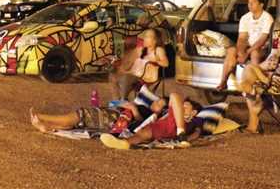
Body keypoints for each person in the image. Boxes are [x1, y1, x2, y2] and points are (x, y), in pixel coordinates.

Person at [239, 31, 280, 134]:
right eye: (279, 42)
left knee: (249, 84)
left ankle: (252, 125)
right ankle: (252, 90)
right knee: (249, 68)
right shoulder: (276, 57)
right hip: (269, 84)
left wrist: (275, 75)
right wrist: (262, 73)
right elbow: (259, 67)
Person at [29, 86, 164, 135]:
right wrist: (126, 105)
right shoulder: (144, 106)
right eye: (157, 100)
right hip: (113, 112)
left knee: (82, 115)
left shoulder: (151, 115)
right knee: (80, 120)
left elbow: (140, 125)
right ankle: (46, 126)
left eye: (160, 104)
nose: (156, 102)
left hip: (115, 120)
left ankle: (43, 117)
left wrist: (134, 109)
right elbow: (113, 103)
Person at [100, 93, 203, 149]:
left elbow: (197, 132)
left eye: (185, 106)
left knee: (175, 95)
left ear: (193, 112)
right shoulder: (171, 112)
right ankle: (124, 143)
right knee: (142, 134)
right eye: (181, 105)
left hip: (175, 130)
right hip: (162, 126)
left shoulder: (196, 120)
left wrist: (187, 139)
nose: (182, 106)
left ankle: (181, 135)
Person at [215, 0, 274, 91]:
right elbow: (242, 38)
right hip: (248, 45)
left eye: (253, 2)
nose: (250, 5)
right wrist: (240, 52)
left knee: (254, 53)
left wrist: (247, 53)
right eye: (248, 3)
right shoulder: (245, 18)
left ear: (261, 5)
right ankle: (223, 81)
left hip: (262, 47)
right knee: (231, 51)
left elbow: (262, 40)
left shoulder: (267, 18)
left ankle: (254, 84)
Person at [108, 28, 169, 100]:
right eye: (145, 36)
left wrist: (154, 60)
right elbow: (130, 62)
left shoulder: (158, 50)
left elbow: (166, 63)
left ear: (155, 40)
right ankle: (117, 101)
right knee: (112, 75)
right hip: (136, 73)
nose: (145, 38)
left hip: (148, 77)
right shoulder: (141, 50)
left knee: (126, 77)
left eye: (148, 36)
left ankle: (123, 99)